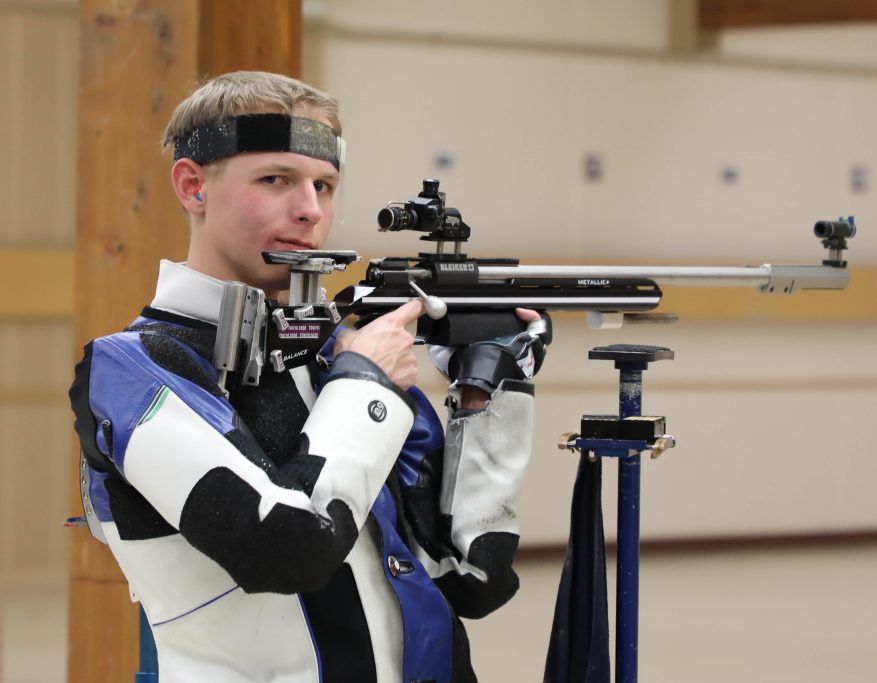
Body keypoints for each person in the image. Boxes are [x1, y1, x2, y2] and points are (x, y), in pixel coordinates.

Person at [69, 71, 549, 683]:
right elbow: (285, 551)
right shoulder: (131, 369)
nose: (310, 210)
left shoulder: (331, 358)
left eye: (325, 185)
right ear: (193, 186)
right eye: (275, 180)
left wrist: (488, 393)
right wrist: (367, 385)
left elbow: (475, 578)